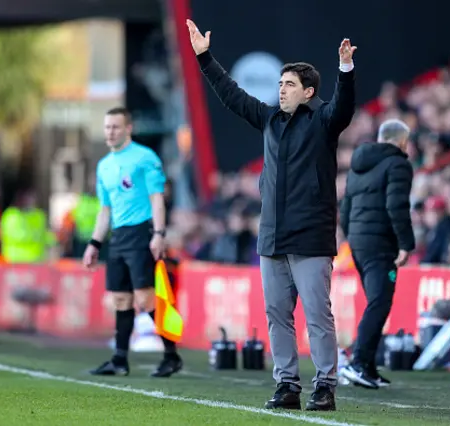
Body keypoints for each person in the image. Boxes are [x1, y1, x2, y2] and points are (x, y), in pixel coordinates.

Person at [187, 19, 356, 411]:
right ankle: (287, 386)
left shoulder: (324, 121)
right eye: (279, 84)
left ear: (308, 91)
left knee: (317, 316)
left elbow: (344, 108)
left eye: (289, 85)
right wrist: (204, 57)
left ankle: (325, 385)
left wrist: (345, 70)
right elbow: (232, 95)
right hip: (272, 237)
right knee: (278, 316)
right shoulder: (269, 120)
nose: (281, 89)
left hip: (311, 237)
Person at [84, 107, 183, 378]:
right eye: (107, 127)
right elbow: (105, 210)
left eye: (115, 127)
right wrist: (94, 243)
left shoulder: (144, 158)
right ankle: (119, 359)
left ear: (128, 128)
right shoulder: (104, 165)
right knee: (120, 298)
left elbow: (157, 199)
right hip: (119, 236)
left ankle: (171, 355)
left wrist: (158, 234)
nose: (110, 132)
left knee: (145, 297)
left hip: (142, 232)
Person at [338, 119, 415, 388]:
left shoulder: (359, 165)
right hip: (381, 243)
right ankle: (358, 364)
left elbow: (345, 208)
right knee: (380, 303)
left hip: (358, 242)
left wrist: (352, 237)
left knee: (376, 301)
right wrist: (406, 244)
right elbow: (397, 206)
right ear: (401, 140)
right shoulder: (398, 165)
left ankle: (367, 367)